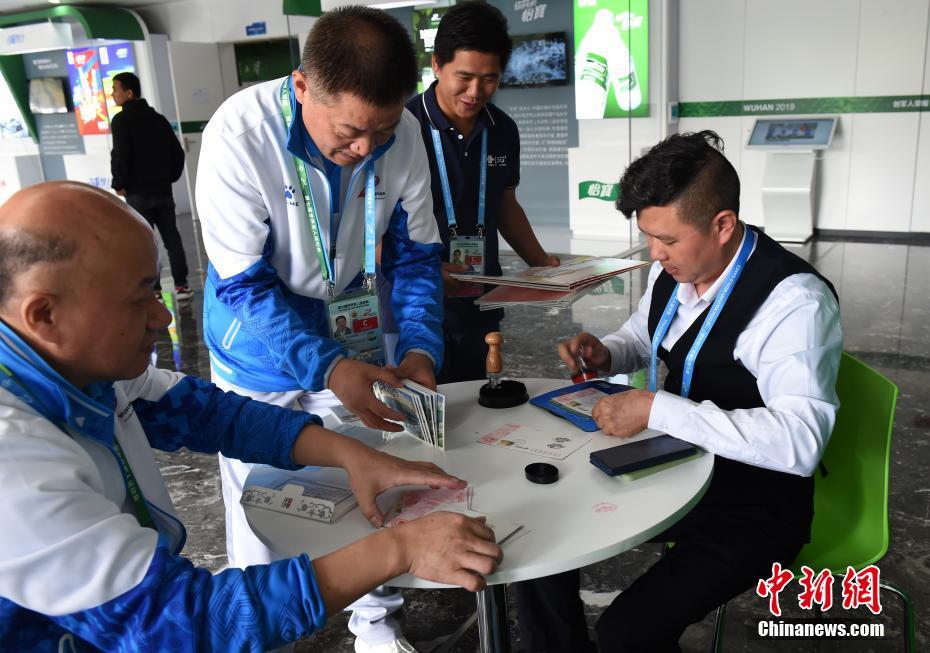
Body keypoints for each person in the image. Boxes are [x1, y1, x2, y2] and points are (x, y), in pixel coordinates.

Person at [0, 182, 502, 653]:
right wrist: (399, 549)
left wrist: (350, 453)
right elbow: (183, 622)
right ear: (44, 315)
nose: (163, 317)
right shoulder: (15, 462)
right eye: (139, 299)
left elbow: (210, 414)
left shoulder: (72, 365)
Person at [513, 131, 843, 652]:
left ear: (723, 225)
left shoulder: (792, 303)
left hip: (751, 504)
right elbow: (646, 336)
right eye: (648, 236)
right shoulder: (676, 269)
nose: (655, 253)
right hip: (670, 465)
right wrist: (608, 352)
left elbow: (800, 443)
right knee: (536, 542)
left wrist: (656, 408)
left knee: (628, 631)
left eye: (667, 239)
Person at [195, 8, 445, 652]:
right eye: (351, 132)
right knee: (258, 495)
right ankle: (257, 631)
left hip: (354, 332)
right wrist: (328, 367)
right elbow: (244, 286)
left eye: (382, 130)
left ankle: (376, 624)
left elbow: (417, 257)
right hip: (258, 346)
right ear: (303, 86)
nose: (366, 148)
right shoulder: (240, 135)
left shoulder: (403, 134)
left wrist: (420, 348)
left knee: (371, 474)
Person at [404, 1, 559, 383]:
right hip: (416, 303)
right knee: (422, 403)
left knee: (477, 397)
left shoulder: (502, 129)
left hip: (481, 298)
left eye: (489, 78)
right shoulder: (403, 127)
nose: (475, 92)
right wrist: (424, 270)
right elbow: (370, 223)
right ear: (437, 64)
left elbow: (505, 204)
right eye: (465, 77)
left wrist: (541, 263)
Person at [109, 72, 191, 302]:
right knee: (172, 239)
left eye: (115, 89)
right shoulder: (158, 119)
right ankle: (182, 286)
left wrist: (119, 183)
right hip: (163, 190)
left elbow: (121, 155)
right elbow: (177, 152)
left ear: (129, 93)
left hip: (137, 194)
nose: (113, 94)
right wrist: (170, 177)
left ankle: (154, 290)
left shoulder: (121, 121)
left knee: (145, 242)